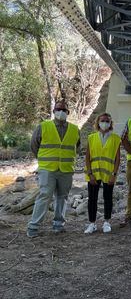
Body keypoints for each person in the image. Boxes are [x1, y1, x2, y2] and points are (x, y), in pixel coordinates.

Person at [27, 100, 80, 238]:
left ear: (68, 113)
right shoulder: (43, 126)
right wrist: (43, 159)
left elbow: (77, 147)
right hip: (47, 169)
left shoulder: (75, 129)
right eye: (58, 109)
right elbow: (34, 145)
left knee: (62, 197)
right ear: (54, 111)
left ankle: (58, 225)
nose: (61, 112)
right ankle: (33, 226)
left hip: (66, 169)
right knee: (44, 195)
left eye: (63, 110)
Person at [84, 113, 121, 234]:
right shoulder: (91, 137)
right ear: (98, 122)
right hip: (94, 174)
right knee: (92, 199)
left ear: (110, 124)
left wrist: (114, 175)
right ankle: (92, 223)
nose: (104, 123)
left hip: (108, 174)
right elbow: (87, 157)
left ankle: (106, 222)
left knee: (108, 197)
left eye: (107, 121)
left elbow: (117, 159)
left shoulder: (116, 139)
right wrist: (90, 174)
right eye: (102, 120)